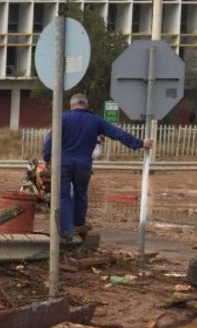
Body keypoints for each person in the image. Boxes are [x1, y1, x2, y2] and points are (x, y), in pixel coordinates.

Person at [43, 92, 153, 240]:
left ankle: (66, 231)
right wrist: (140, 143)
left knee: (63, 196)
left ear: (72, 105)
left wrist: (47, 157)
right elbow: (117, 133)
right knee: (81, 194)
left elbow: (50, 138)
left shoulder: (63, 118)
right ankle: (78, 224)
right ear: (86, 105)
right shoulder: (95, 120)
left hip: (64, 163)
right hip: (84, 165)